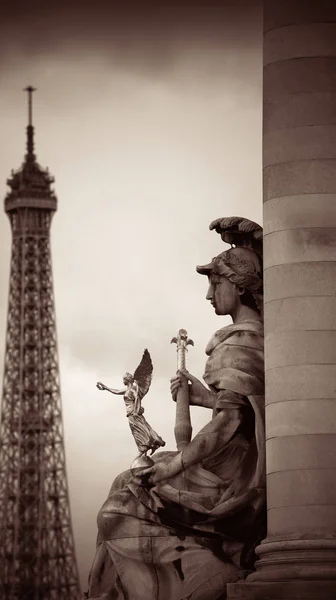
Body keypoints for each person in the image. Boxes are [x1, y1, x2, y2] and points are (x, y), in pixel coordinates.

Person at [85, 217, 265, 600]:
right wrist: (204, 398)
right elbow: (243, 412)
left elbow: (230, 422)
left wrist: (173, 465)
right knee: (125, 484)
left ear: (239, 284)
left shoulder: (239, 345)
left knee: (117, 508)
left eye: (215, 283)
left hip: (231, 477)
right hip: (233, 465)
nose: (208, 294)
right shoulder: (248, 342)